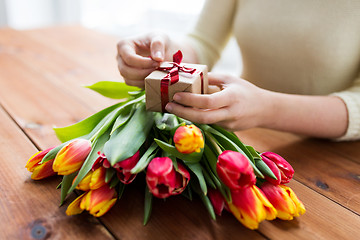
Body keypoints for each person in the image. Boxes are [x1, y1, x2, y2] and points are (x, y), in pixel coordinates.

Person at [116, 0, 360, 141]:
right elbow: (203, 42)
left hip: (329, 159)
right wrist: (163, 56)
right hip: (244, 136)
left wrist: (269, 109)